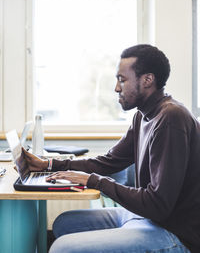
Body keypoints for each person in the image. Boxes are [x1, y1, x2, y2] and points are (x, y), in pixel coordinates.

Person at [24, 44, 200, 253]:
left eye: (122, 80)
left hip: (174, 233)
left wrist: (94, 181)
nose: (117, 88)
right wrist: (49, 164)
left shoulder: (171, 118)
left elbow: (159, 205)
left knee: (62, 248)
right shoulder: (142, 116)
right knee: (64, 223)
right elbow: (108, 162)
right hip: (146, 218)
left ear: (147, 80)